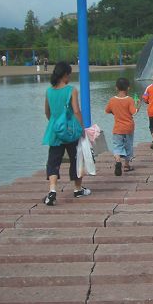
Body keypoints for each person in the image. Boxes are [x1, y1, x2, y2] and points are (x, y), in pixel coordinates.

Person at [41, 61, 91, 206]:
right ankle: (77, 189)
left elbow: (47, 112)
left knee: (53, 161)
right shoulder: (71, 90)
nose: (69, 77)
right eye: (69, 75)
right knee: (76, 158)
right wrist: (81, 128)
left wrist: (55, 123)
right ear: (64, 75)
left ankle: (52, 190)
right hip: (70, 132)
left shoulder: (49, 91)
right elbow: (76, 111)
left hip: (55, 132)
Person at [105, 77, 140, 175]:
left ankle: (117, 160)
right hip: (128, 128)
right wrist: (138, 105)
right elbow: (134, 112)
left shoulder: (112, 100)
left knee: (117, 146)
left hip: (117, 128)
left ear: (116, 88)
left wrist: (115, 112)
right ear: (128, 88)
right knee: (128, 146)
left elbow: (107, 110)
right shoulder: (130, 100)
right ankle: (127, 165)